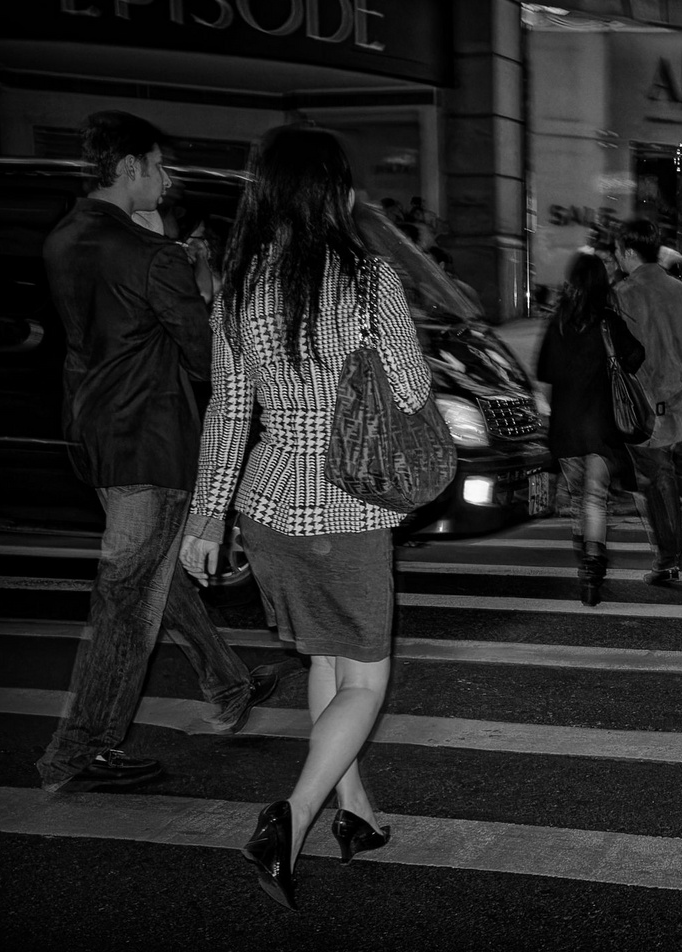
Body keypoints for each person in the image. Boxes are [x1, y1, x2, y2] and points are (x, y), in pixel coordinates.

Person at [179, 127, 431, 909]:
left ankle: (355, 812)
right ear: (333, 193)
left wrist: (204, 519)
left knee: (325, 659)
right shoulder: (368, 278)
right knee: (366, 676)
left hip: (265, 501)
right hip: (350, 502)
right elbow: (415, 390)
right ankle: (288, 820)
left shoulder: (239, 284)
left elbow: (228, 411)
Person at [35, 111, 278, 794]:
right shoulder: (152, 256)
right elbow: (208, 356)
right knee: (127, 600)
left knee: (152, 576)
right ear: (133, 166)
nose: (168, 182)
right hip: (155, 440)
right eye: (161, 167)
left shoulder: (65, 237)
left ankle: (227, 682)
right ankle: (84, 746)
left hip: (98, 434)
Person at [536, 252, 645, 605]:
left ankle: (585, 561)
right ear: (601, 284)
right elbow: (636, 355)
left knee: (581, 498)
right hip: (600, 427)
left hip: (566, 428)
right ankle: (593, 567)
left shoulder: (559, 322)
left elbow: (544, 372)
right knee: (596, 497)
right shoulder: (607, 321)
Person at [612, 219, 682, 584]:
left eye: (618, 251)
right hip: (677, 402)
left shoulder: (625, 293)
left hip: (643, 406)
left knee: (658, 480)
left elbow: (622, 356)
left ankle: (668, 558)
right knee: (661, 475)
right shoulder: (681, 292)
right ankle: (668, 555)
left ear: (630, 252)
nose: (617, 257)